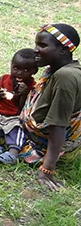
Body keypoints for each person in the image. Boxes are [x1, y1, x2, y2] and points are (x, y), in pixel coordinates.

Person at [21, 23, 81, 190]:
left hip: (52, 146)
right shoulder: (56, 70)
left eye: (42, 45)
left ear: (63, 50)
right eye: (36, 44)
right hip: (47, 138)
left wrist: (47, 169)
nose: (35, 50)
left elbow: (58, 124)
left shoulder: (65, 76)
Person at [0, 49, 37, 164]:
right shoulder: (4, 79)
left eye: (26, 70)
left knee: (19, 128)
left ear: (34, 71)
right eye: (16, 68)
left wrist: (24, 94)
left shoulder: (32, 87)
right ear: (11, 65)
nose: (19, 73)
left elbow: (24, 108)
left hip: (15, 116)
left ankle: (12, 153)